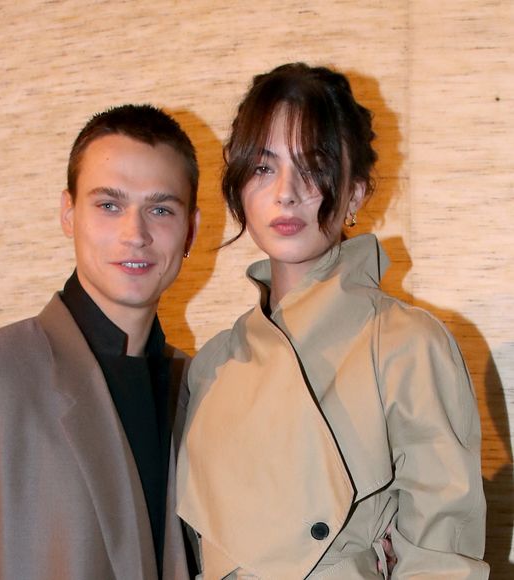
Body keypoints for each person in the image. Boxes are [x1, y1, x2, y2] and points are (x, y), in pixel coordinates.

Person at [177, 63, 489, 579]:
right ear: (236, 186)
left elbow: (442, 557)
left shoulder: (407, 343)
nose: (286, 192)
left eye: (314, 166)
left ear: (357, 193)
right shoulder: (211, 366)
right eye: (263, 167)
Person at [0, 104, 200, 580]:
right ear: (68, 213)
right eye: (109, 205)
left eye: (160, 209)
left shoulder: (198, 385)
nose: (134, 234)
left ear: (191, 231)